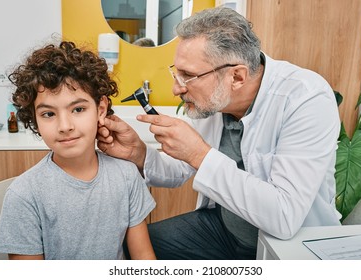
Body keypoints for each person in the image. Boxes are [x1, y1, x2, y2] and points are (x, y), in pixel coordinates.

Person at [97, 7, 341, 259]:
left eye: (188, 76)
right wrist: (138, 153)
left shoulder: (306, 97)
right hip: (223, 228)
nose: (175, 89)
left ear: (236, 77)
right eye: (176, 72)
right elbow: (180, 169)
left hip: (287, 244)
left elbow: (284, 217)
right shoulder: (216, 100)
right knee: (131, 247)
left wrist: (199, 155)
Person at [0, 41, 156, 260]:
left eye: (78, 109)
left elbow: (144, 260)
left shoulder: (126, 177)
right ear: (34, 119)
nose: (65, 126)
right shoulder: (24, 195)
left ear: (100, 109)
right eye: (48, 114)